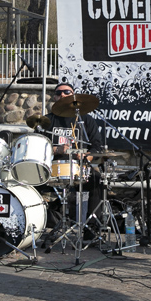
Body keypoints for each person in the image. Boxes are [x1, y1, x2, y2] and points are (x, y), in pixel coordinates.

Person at [47, 81, 105, 225]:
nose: (62, 95)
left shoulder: (86, 120)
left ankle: (91, 228)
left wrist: (87, 156)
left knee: (98, 181)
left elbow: (97, 146)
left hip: (80, 168)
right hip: (51, 168)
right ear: (54, 98)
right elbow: (38, 147)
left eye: (67, 92)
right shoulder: (47, 120)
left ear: (74, 96)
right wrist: (56, 150)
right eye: (58, 93)